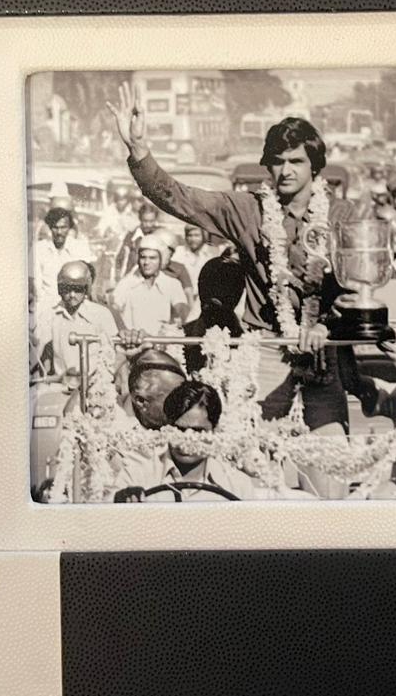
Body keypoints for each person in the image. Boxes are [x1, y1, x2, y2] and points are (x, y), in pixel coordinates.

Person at [108, 83, 353, 434]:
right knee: (257, 459)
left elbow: (358, 292)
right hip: (265, 351)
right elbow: (180, 198)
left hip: (323, 350)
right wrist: (138, 148)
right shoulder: (247, 209)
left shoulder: (344, 214)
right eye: (277, 162)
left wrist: (325, 326)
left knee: (330, 462)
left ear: (315, 166)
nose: (285, 171)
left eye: (296, 161)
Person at [113, 380, 269, 501]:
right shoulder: (135, 477)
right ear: (166, 427)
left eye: (197, 432)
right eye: (179, 430)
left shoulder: (237, 484)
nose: (186, 441)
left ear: (214, 431)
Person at [48, 261, 120, 377]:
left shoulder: (101, 314)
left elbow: (117, 353)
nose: (72, 295)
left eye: (77, 289)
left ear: (86, 288)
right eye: (67, 289)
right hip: (62, 385)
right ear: (60, 288)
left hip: (96, 384)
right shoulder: (52, 315)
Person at [110, 232, 188, 334]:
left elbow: (182, 311)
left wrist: (175, 318)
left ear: (161, 260)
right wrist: (124, 331)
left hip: (161, 344)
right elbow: (114, 310)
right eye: (143, 257)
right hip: (134, 344)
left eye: (152, 258)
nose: (146, 262)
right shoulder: (127, 283)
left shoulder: (172, 284)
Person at [182, 255, 246, 373]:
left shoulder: (247, 343)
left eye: (227, 288)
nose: (215, 297)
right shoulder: (182, 335)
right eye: (209, 286)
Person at [34, 207, 95, 306]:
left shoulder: (80, 248)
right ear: (50, 227)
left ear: (69, 228)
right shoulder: (39, 249)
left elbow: (88, 281)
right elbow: (37, 285)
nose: (59, 232)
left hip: (75, 304)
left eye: (63, 227)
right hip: (48, 305)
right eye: (55, 227)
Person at [169, 224, 217, 323]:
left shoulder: (212, 252)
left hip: (204, 298)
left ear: (203, 236)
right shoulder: (179, 252)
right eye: (190, 235)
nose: (193, 239)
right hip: (183, 297)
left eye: (196, 235)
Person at [115, 202, 161, 278]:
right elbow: (119, 259)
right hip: (131, 277)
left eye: (151, 221)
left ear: (155, 220)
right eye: (145, 221)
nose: (148, 225)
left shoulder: (159, 235)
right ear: (140, 219)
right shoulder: (131, 236)